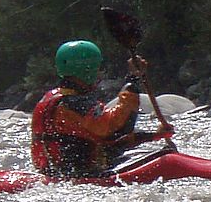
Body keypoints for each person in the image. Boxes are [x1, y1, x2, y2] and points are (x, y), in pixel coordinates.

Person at [29, 39, 170, 178]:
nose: (100, 74)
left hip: (54, 172)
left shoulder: (52, 98)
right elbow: (117, 129)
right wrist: (133, 82)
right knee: (162, 155)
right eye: (98, 68)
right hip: (81, 175)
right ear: (86, 70)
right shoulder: (75, 103)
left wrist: (153, 136)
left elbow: (108, 141)